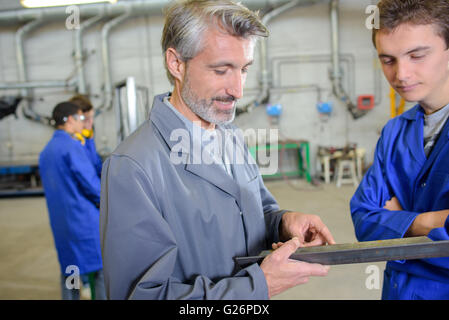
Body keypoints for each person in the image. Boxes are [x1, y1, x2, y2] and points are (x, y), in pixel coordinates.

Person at [100, 0, 335, 300]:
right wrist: (257, 286)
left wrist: (282, 222)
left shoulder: (230, 135)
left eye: (244, 70)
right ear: (177, 64)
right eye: (221, 70)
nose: (237, 90)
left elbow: (254, 211)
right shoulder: (132, 166)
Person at [351, 0, 449, 300]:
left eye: (417, 55)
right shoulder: (394, 132)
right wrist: (428, 221)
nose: (401, 74)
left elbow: (379, 225)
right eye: (388, 60)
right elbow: (363, 219)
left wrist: (399, 221)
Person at [39, 102, 106, 300]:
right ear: (70, 120)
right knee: (100, 271)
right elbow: (91, 184)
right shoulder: (72, 147)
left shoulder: (47, 151)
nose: (83, 123)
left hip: (61, 224)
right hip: (84, 221)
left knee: (71, 270)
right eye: (81, 118)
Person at [69, 94, 103, 178]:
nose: (91, 123)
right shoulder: (74, 143)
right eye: (86, 119)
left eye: (92, 118)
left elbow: (97, 165)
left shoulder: (87, 138)